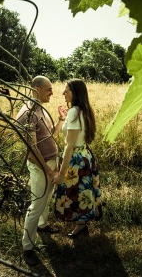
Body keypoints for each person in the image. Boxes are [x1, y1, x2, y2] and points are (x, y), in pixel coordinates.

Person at [16, 76, 66, 266]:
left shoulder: (41, 109)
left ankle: (43, 226)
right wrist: (49, 171)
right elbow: (33, 150)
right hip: (40, 166)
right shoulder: (28, 113)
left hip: (50, 163)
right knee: (36, 205)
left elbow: (49, 134)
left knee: (46, 198)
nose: (52, 93)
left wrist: (60, 120)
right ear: (36, 89)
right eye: (49, 89)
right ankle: (27, 247)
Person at [52, 78, 102, 238]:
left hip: (76, 159)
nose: (63, 93)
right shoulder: (84, 110)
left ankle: (81, 225)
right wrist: (63, 118)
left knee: (75, 191)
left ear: (75, 93)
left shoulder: (75, 112)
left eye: (66, 90)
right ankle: (82, 224)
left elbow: (69, 146)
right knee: (83, 191)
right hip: (85, 154)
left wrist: (60, 174)